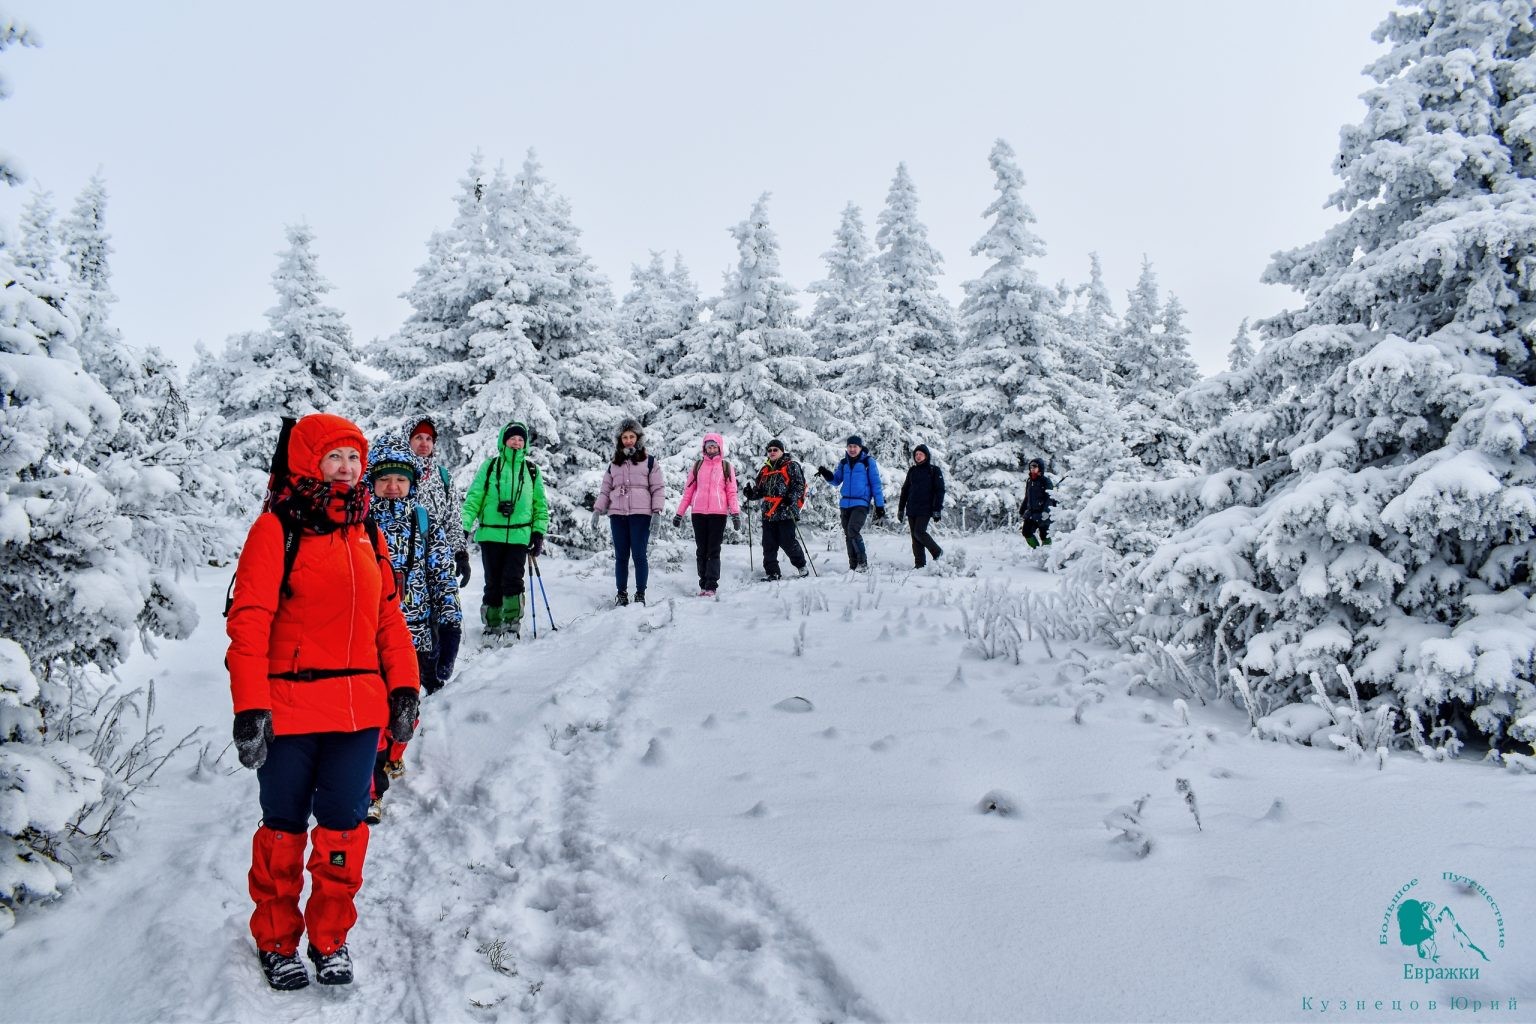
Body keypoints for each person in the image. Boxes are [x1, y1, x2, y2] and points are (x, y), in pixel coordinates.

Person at [226, 413, 420, 990]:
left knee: (343, 831)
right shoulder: (275, 530)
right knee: (283, 830)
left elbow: (390, 619)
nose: (347, 469)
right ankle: (277, 939)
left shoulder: (368, 533)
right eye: (334, 457)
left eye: (354, 459)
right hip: (288, 708)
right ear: (308, 461)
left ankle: (330, 938)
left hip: (359, 713)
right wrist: (249, 707)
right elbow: (249, 622)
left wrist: (405, 687)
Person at [364, 431, 463, 824]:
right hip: (369, 639)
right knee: (373, 716)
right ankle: (371, 791)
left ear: (411, 482)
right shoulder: (359, 522)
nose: (393, 487)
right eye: (385, 479)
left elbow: (442, 577)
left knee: (406, 712)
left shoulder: (425, 522)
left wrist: (451, 626)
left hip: (417, 637)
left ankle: (392, 757)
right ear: (372, 481)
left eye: (401, 479)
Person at [461, 421, 549, 639]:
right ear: (504, 441)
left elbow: (540, 505)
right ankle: (491, 624)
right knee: (492, 581)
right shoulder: (490, 467)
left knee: (513, 580)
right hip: (491, 534)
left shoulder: (531, 470)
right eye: (512, 438)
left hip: (520, 536)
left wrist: (538, 533)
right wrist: (462, 527)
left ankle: (511, 623)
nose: (517, 443)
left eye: (521, 439)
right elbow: (474, 499)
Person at [591, 418, 665, 606]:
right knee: (621, 556)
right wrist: (598, 510)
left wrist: (657, 512)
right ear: (620, 439)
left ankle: (640, 594)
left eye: (632, 436)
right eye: (625, 437)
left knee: (639, 555)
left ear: (638, 438)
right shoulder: (614, 464)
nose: (629, 440)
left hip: (641, 515)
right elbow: (605, 489)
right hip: (617, 515)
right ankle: (621, 594)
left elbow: (658, 488)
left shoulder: (650, 462)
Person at [404, 416, 471, 589]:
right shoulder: (397, 474)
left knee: (442, 612)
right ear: (407, 439)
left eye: (429, 439)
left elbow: (453, 520)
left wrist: (460, 554)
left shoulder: (443, 476)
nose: (424, 443)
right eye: (418, 437)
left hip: (438, 560)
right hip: (404, 560)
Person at [673, 432, 741, 596]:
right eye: (708, 446)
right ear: (704, 448)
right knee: (701, 550)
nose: (711, 448)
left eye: (714, 446)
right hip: (698, 514)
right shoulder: (697, 466)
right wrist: (679, 514)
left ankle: (711, 585)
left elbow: (732, 492)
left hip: (718, 514)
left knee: (713, 549)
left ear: (719, 447)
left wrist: (735, 513)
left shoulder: (726, 467)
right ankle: (703, 584)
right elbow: (688, 493)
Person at [816, 434, 886, 572]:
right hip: (845, 504)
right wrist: (826, 473)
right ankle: (853, 565)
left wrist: (879, 506)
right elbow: (836, 481)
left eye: (855, 446)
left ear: (860, 448)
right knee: (848, 534)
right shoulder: (844, 463)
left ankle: (862, 563)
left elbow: (876, 484)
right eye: (850, 446)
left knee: (853, 531)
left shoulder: (867, 462)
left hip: (861, 503)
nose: (852, 449)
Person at [741, 439, 808, 581]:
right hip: (768, 513)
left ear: (782, 451)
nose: (772, 452)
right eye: (769, 450)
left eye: (775, 450)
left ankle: (801, 566)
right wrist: (750, 494)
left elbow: (799, 486)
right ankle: (773, 572)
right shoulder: (765, 469)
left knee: (787, 541)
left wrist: (791, 498)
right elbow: (759, 492)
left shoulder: (791, 466)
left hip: (786, 510)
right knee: (768, 544)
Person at [897, 444, 945, 568]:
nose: (918, 456)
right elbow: (905, 490)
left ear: (926, 456)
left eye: (921, 454)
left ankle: (938, 552)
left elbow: (940, 490)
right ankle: (919, 564)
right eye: (916, 454)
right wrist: (901, 509)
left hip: (926, 508)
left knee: (919, 532)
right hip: (912, 508)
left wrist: (937, 510)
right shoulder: (912, 470)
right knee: (915, 537)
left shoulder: (934, 470)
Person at [1020, 457, 1056, 547]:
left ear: (1040, 468)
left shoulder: (1046, 481)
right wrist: (1023, 508)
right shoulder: (1029, 481)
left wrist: (1046, 511)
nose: (1032, 469)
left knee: (1045, 536)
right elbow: (1027, 497)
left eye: (1035, 467)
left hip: (1043, 513)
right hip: (1031, 513)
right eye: (1031, 467)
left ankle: (1047, 555)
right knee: (1026, 532)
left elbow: (1050, 498)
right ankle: (1037, 551)